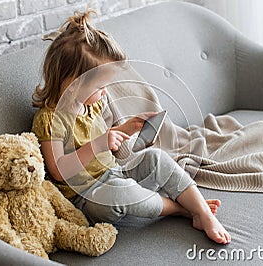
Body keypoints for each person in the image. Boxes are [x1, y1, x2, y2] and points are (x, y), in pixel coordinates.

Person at [31, 8, 231, 244]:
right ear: (73, 85)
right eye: (99, 87)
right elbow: (58, 170)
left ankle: (202, 212)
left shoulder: (90, 105)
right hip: (86, 197)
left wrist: (130, 127)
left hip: (114, 172)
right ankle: (182, 210)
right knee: (120, 193)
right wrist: (97, 145)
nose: (105, 92)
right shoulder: (50, 120)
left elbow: (108, 139)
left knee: (156, 158)